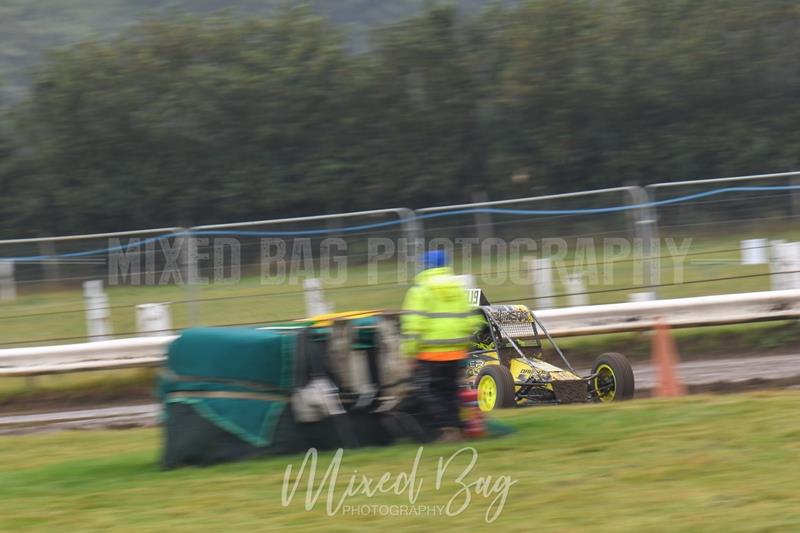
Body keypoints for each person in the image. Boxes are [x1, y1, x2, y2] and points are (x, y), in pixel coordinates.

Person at [401, 250, 484, 442]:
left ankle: (444, 429)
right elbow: (473, 321)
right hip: (457, 352)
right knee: (451, 391)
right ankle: (456, 427)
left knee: (428, 392)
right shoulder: (458, 288)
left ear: (425, 266)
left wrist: (409, 352)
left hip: (430, 355)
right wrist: (463, 343)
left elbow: (413, 325)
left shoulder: (420, 290)